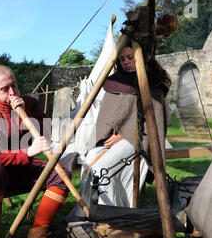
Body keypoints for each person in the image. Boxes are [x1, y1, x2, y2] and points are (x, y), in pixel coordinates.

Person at [0, 65, 72, 238]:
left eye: (14, 86)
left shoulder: (30, 103)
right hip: (0, 175)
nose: (12, 93)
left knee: (62, 175)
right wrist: (27, 152)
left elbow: (47, 133)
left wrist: (26, 114)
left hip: (25, 170)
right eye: (4, 89)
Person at [66, 44, 171, 221]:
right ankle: (87, 211)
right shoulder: (117, 81)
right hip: (115, 137)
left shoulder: (152, 82)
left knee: (103, 169)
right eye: (122, 59)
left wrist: (123, 135)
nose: (126, 62)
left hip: (141, 139)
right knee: (89, 161)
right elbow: (111, 116)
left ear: (142, 57)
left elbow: (155, 121)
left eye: (130, 57)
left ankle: (113, 216)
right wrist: (111, 135)